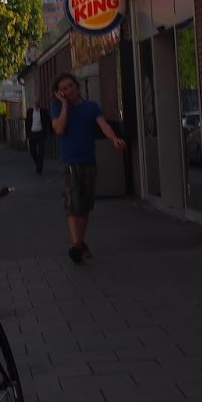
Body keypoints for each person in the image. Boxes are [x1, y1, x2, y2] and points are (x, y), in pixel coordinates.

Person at [50, 73, 127, 263]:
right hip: (69, 162)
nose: (69, 90)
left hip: (88, 161)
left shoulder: (91, 107)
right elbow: (59, 129)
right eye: (64, 89)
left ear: (77, 85)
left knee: (85, 205)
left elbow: (103, 125)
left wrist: (114, 139)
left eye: (71, 86)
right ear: (59, 93)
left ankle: (80, 243)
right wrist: (65, 105)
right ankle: (77, 245)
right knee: (73, 204)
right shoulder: (57, 107)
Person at [26, 101, 51, 174]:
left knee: (41, 151)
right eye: (35, 103)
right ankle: (38, 163)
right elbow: (27, 122)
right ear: (33, 104)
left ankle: (40, 168)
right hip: (32, 134)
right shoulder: (29, 111)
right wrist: (27, 133)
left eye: (37, 103)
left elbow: (48, 121)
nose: (36, 104)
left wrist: (50, 131)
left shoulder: (44, 111)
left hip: (41, 133)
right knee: (32, 152)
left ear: (39, 104)